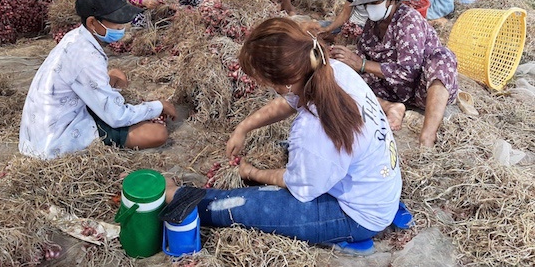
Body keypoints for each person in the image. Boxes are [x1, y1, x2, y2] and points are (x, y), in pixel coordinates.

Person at [162, 17, 402, 249]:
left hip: (358, 215)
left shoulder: (313, 129)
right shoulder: (332, 71)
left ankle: (181, 196)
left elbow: (298, 185)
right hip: (375, 188)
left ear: (283, 83)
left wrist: (252, 172)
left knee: (250, 206)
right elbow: (289, 103)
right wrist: (243, 127)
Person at [19, 0, 177, 159]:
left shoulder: (74, 37)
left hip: (40, 129)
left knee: (116, 75)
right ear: (92, 22)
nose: (122, 29)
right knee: (157, 134)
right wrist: (157, 106)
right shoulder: (87, 58)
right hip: (55, 141)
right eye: (117, 25)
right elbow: (117, 117)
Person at [330, 0, 458, 147]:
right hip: (390, 89)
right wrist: (347, 60)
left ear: (391, 0)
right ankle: (390, 107)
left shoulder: (408, 20)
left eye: (375, 3)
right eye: (366, 4)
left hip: (422, 88)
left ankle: (427, 136)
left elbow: (409, 72)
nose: (370, 8)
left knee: (443, 58)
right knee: (344, 78)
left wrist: (362, 64)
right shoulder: (372, 24)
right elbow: (364, 54)